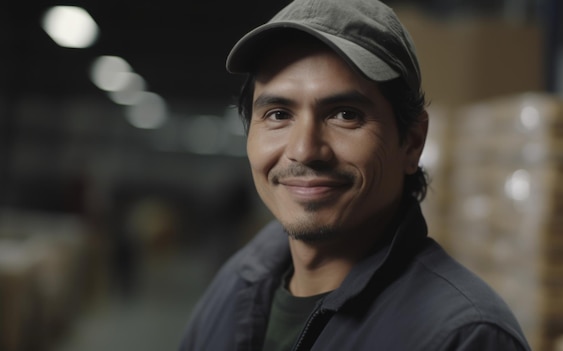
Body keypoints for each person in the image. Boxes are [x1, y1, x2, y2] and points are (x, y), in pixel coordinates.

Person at [180, 0, 531, 350]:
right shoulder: (235, 287)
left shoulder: (464, 336)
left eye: (345, 114)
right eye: (278, 114)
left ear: (411, 142)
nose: (304, 150)